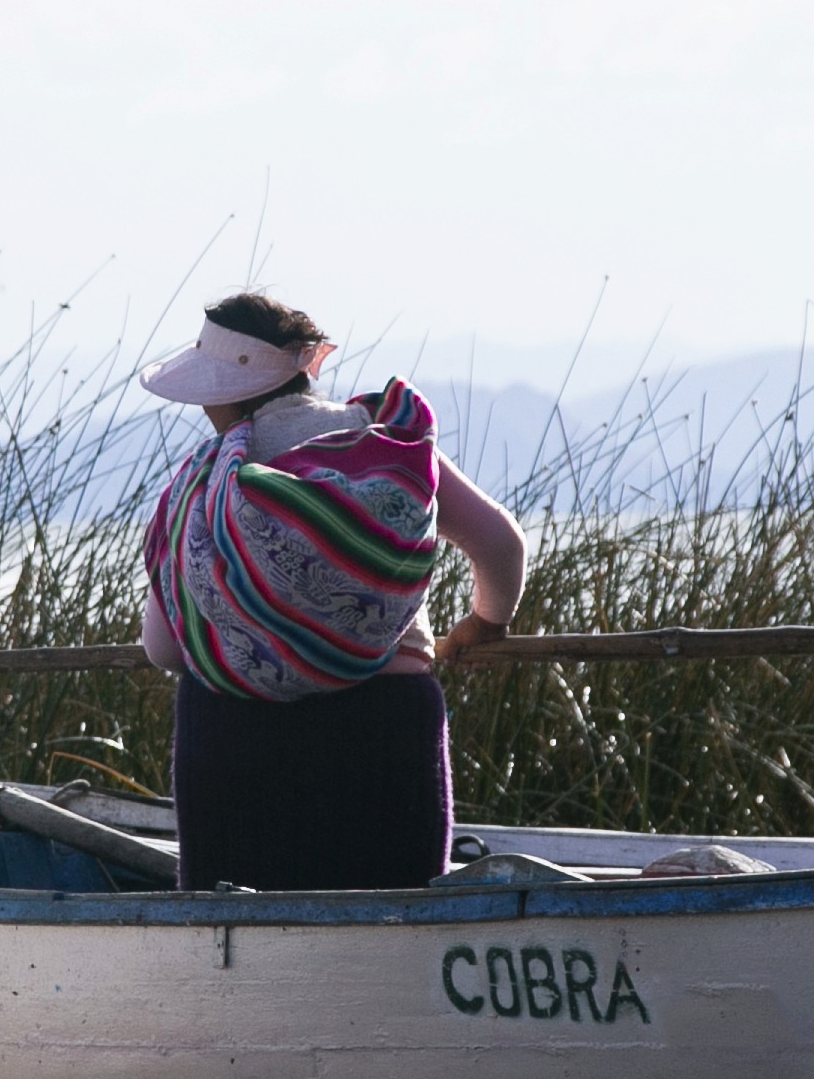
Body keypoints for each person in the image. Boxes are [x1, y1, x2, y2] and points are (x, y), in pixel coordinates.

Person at [133, 291, 527, 892]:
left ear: (228, 394)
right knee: (396, 920)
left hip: (236, 742)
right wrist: (485, 624)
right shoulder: (386, 447)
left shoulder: (201, 486)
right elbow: (500, 545)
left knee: (238, 938)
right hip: (384, 731)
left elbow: (163, 649)